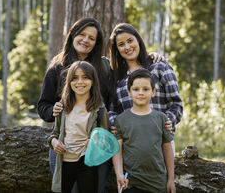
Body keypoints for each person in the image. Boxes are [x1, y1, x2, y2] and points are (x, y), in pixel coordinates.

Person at [38, 18, 163, 192]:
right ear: (73, 35)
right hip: (66, 146)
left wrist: (149, 57)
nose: (85, 40)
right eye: (82, 35)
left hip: (98, 144)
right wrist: (54, 110)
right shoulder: (57, 67)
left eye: (91, 38)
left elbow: (120, 88)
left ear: (96, 43)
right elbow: (43, 107)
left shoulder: (103, 66)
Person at [108, 23, 183, 152]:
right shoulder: (117, 78)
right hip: (131, 144)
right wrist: (114, 123)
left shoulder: (160, 67)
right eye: (121, 44)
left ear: (138, 40)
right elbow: (113, 110)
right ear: (117, 50)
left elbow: (176, 103)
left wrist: (168, 121)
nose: (127, 47)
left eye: (130, 41)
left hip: (161, 141)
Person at [48, 61, 110, 193]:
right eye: (75, 78)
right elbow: (54, 134)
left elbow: (104, 139)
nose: (80, 82)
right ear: (69, 82)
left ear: (93, 81)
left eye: (85, 77)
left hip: (87, 162)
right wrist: (55, 143)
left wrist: (95, 143)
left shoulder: (100, 109)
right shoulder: (63, 107)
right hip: (64, 161)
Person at [112, 68, 175, 193]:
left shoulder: (161, 118)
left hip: (158, 183)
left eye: (145, 89)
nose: (141, 93)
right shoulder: (121, 120)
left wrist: (171, 179)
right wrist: (119, 174)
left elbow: (167, 149)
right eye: (136, 89)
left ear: (153, 92)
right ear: (129, 92)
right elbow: (117, 150)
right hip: (131, 183)